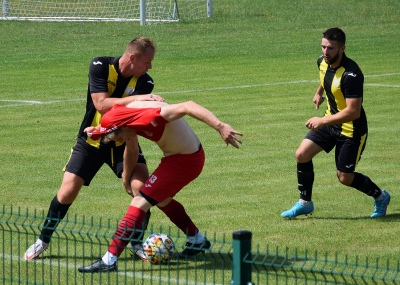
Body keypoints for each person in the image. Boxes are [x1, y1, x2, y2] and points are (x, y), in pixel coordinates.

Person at [24, 37, 164, 261]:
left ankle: (137, 244)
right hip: (91, 140)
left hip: (122, 142)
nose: (150, 67)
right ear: (132, 58)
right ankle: (43, 240)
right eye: (147, 61)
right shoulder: (99, 66)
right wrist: (141, 99)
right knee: (68, 190)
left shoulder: (145, 82)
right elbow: (101, 104)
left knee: (142, 191)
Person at [77, 99, 242, 272]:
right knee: (162, 200)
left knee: (140, 201)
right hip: (179, 158)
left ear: (123, 126)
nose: (121, 140)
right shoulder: (126, 119)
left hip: (185, 161)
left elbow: (188, 106)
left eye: (119, 137)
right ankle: (197, 240)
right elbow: (131, 150)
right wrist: (98, 131)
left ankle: (108, 261)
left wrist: (220, 126)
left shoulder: (150, 117)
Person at [281, 27, 390, 219]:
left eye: (330, 48)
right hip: (330, 123)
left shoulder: (352, 74)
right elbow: (326, 77)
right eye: (323, 47)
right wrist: (319, 92)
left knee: (344, 178)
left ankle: (380, 197)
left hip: (351, 130)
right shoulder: (322, 62)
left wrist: (322, 120)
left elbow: (353, 111)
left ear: (342, 49)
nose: (325, 52)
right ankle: (305, 203)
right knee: (302, 154)